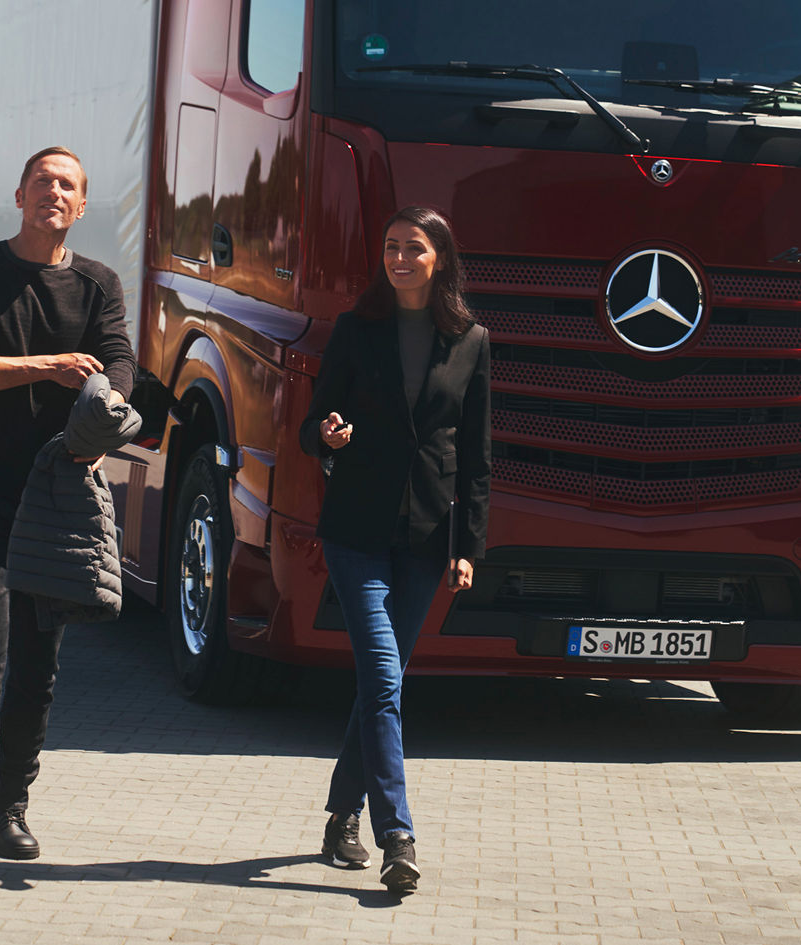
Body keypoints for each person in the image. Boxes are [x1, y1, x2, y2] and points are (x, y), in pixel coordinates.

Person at [0, 146, 135, 881]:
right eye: (42, 179)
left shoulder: (98, 284)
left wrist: (102, 413)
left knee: (37, 666)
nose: (53, 190)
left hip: (56, 501)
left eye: (67, 184)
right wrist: (45, 367)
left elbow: (120, 361)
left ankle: (12, 802)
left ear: (82, 207)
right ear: (18, 195)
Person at [298, 206, 491, 893]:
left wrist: (468, 544)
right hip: (355, 530)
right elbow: (311, 426)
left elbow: (476, 456)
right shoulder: (357, 329)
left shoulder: (470, 340)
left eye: (413, 248)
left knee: (381, 685)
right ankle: (398, 836)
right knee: (384, 678)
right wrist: (329, 432)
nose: (399, 258)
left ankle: (339, 814)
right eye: (390, 247)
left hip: (425, 537)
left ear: (440, 258)